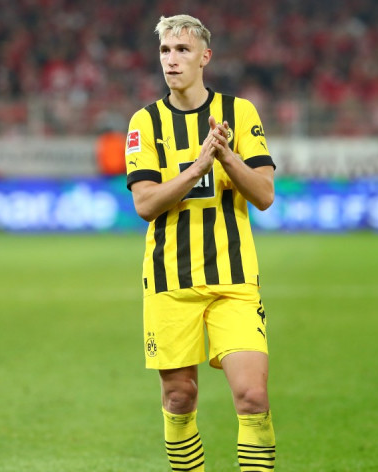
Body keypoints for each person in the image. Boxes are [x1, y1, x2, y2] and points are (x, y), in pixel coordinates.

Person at [125, 14, 276, 471]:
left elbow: (265, 195)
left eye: (182, 50)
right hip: (170, 280)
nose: (171, 60)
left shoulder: (239, 113)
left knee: (252, 395)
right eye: (165, 51)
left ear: (204, 57)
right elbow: (145, 204)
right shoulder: (145, 122)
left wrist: (226, 155)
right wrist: (197, 167)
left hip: (233, 279)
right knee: (179, 396)